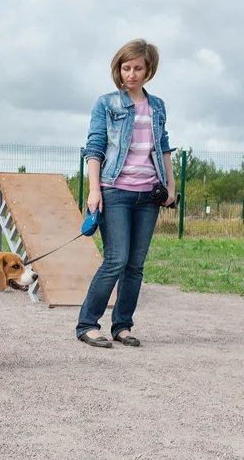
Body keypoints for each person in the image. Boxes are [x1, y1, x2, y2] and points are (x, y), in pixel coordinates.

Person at [75, 39, 176, 348]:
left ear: (149, 71)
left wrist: (171, 187)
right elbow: (94, 148)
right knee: (115, 260)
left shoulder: (157, 106)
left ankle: (122, 326)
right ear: (118, 69)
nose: (131, 74)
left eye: (137, 68)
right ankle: (87, 324)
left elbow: (164, 147)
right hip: (114, 190)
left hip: (148, 196)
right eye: (126, 67)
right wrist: (94, 190)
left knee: (135, 264)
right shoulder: (106, 104)